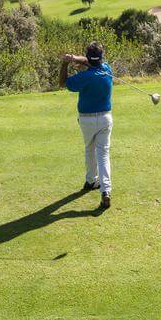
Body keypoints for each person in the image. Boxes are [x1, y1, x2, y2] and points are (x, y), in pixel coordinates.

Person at [59, 41, 113, 210]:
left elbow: (63, 83)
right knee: (102, 153)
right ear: (101, 57)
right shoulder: (107, 69)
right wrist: (75, 58)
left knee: (89, 148)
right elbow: (91, 62)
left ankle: (91, 180)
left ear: (88, 57)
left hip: (87, 120)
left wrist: (65, 63)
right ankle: (105, 190)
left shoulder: (83, 77)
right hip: (105, 118)